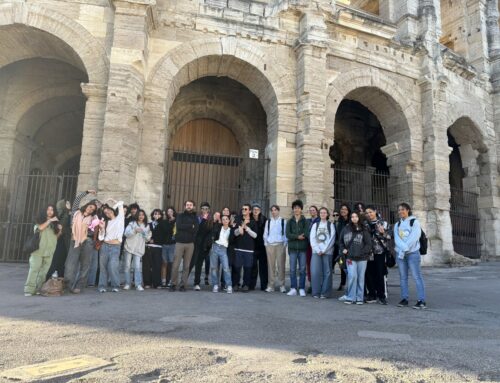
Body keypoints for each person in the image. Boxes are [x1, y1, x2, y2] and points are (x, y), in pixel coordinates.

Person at [64, 190, 98, 294]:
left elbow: (93, 231)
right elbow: (77, 200)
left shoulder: (93, 218)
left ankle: (79, 285)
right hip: (75, 241)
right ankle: (68, 285)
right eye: (90, 206)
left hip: (87, 241)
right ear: (87, 205)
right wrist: (87, 192)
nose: (91, 209)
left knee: (85, 265)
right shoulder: (76, 213)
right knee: (70, 265)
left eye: (93, 209)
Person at [394, 203, 427, 309]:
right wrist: (402, 250)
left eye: (402, 209)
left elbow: (414, 237)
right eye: (399, 210)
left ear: (408, 210)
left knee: (417, 277)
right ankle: (404, 298)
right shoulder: (397, 224)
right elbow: (397, 239)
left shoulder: (414, 222)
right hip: (400, 254)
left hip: (412, 253)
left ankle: (421, 300)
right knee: (403, 278)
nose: (400, 212)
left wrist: (404, 249)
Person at [24, 205, 61, 296]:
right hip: (38, 250)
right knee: (34, 269)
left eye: (52, 210)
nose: (50, 211)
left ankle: (38, 289)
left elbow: (56, 237)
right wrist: (49, 221)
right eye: (48, 209)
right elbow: (40, 228)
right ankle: (29, 290)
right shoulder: (39, 220)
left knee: (44, 271)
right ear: (44, 211)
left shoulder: (55, 224)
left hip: (50, 250)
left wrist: (60, 230)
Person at [339, 211, 372, 305]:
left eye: (356, 216)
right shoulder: (346, 228)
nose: (354, 218)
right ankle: (351, 297)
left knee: (361, 278)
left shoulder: (364, 229)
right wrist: (343, 249)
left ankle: (359, 298)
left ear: (359, 218)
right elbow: (340, 241)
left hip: (362, 258)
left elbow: (368, 244)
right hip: (350, 257)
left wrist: (361, 252)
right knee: (352, 276)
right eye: (352, 216)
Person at [170, 200, 199, 292]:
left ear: (193, 206)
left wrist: (186, 226)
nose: (189, 206)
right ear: (185, 206)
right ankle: (173, 284)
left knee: (186, 266)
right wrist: (190, 226)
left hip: (190, 244)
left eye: (190, 205)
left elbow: (196, 230)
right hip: (179, 243)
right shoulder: (180, 216)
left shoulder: (195, 217)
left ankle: (183, 285)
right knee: (175, 265)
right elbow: (179, 226)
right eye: (187, 205)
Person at [364, 205, 391, 305]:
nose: (369, 214)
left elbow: (389, 237)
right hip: (368, 253)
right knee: (369, 274)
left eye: (370, 212)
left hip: (379, 252)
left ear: (375, 211)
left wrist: (383, 233)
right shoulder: (364, 224)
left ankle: (381, 295)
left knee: (380, 274)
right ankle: (372, 294)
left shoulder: (383, 223)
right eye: (367, 213)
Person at [97, 199, 124, 293]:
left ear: (112, 209)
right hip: (105, 246)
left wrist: (112, 200)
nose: (107, 213)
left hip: (115, 247)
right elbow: (101, 238)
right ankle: (102, 286)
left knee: (113, 266)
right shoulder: (106, 222)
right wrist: (102, 228)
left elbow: (121, 203)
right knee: (103, 267)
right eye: (105, 213)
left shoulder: (120, 218)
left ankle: (115, 285)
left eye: (108, 210)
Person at [309, 207, 336, 299]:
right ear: (319, 214)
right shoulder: (315, 225)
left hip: (327, 252)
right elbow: (312, 238)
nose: (323, 214)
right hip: (316, 252)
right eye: (321, 212)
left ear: (327, 214)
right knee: (315, 272)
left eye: (324, 212)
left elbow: (332, 239)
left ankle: (325, 293)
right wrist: (318, 250)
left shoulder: (330, 225)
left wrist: (324, 250)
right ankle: (316, 292)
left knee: (327, 272)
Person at [286, 199, 309, 297]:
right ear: (293, 209)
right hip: (292, 249)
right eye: (295, 208)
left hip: (303, 249)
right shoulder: (289, 222)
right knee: (292, 269)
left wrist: (295, 236)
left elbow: (306, 233)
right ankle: (293, 288)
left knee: (303, 269)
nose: (296, 210)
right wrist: (297, 237)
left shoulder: (305, 221)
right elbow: (288, 234)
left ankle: (302, 288)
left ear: (301, 209)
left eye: (298, 208)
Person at [232, 204, 258, 292]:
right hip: (238, 248)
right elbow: (235, 233)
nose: (243, 210)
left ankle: (246, 285)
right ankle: (235, 284)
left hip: (249, 249)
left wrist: (246, 227)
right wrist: (242, 226)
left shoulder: (253, 221)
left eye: (246, 209)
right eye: (242, 208)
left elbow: (255, 235)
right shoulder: (237, 219)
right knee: (236, 267)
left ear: (249, 211)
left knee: (248, 268)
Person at [123, 209, 151, 291]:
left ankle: (138, 284)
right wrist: (134, 230)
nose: (141, 216)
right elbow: (126, 234)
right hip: (129, 247)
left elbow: (147, 239)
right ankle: (127, 283)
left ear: (144, 216)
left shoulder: (147, 226)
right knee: (127, 266)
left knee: (137, 267)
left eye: (142, 215)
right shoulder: (131, 224)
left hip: (139, 248)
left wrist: (144, 233)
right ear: (137, 216)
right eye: (139, 215)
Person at [263, 205, 287, 293]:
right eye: (272, 210)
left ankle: (282, 285)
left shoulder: (283, 221)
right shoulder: (268, 221)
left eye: (275, 210)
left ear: (278, 211)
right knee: (270, 266)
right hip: (270, 245)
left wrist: (284, 244)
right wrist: (266, 244)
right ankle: (271, 285)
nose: (273, 212)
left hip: (280, 245)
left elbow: (285, 234)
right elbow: (265, 233)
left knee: (281, 266)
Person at [190, 202, 213, 291]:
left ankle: (196, 283)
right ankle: (183, 282)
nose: (204, 210)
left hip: (205, 246)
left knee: (199, 264)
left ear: (209, 210)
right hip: (195, 244)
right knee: (191, 263)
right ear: (200, 210)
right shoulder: (197, 218)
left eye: (206, 209)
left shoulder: (211, 220)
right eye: (203, 208)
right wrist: (203, 219)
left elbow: (210, 232)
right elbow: (198, 230)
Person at [209, 214, 233, 294]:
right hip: (215, 247)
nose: (225, 221)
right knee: (213, 268)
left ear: (229, 220)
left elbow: (233, 238)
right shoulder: (218, 227)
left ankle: (229, 285)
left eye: (226, 219)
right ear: (221, 221)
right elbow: (213, 233)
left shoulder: (231, 229)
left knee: (226, 268)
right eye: (223, 219)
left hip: (223, 249)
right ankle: (215, 285)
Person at [143, 209, 164, 289]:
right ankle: (147, 283)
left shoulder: (163, 224)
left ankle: (157, 283)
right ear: (152, 215)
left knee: (157, 266)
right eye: (155, 214)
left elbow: (163, 236)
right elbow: (144, 234)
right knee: (147, 266)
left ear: (161, 215)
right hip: (148, 246)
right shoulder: (149, 224)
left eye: (159, 214)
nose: (157, 215)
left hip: (158, 247)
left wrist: (155, 240)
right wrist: (148, 240)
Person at [250, 203, 268, 291]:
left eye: (257, 209)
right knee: (253, 266)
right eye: (254, 209)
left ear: (260, 211)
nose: (255, 211)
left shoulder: (264, 219)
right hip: (252, 247)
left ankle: (264, 286)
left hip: (262, 247)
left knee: (263, 267)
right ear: (252, 211)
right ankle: (251, 285)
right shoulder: (249, 219)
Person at [334, 204, 350, 292]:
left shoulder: (350, 221)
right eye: (342, 209)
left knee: (350, 266)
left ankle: (350, 285)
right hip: (340, 247)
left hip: (349, 247)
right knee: (342, 266)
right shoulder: (339, 222)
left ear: (348, 211)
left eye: (345, 209)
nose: (343, 210)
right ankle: (343, 283)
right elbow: (337, 234)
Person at [159, 207, 176, 287]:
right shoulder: (164, 222)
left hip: (173, 244)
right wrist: (170, 222)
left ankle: (171, 280)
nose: (169, 213)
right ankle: (163, 280)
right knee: (164, 263)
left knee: (171, 263)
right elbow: (166, 230)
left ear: (173, 212)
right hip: (164, 244)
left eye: (171, 211)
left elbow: (175, 232)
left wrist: (173, 222)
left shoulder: (176, 221)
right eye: (168, 211)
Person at [305, 205, 319, 293]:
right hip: (308, 245)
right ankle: (311, 284)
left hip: (317, 246)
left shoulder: (320, 221)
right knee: (309, 264)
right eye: (310, 210)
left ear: (316, 211)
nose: (312, 212)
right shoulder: (307, 221)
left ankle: (317, 284)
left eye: (313, 210)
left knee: (317, 265)